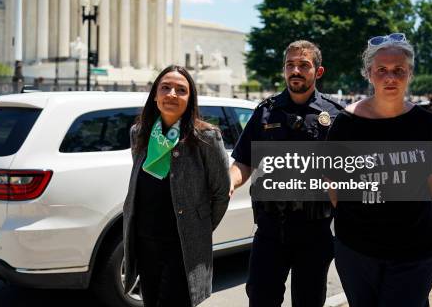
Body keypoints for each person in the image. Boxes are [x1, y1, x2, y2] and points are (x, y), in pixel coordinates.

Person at [325, 33, 432, 307]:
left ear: (410, 74)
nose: (390, 77)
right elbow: (332, 182)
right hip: (356, 250)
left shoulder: (425, 124)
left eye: (398, 70)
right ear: (369, 73)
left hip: (414, 249)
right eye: (382, 70)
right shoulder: (346, 123)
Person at [229, 40, 344, 307]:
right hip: (270, 230)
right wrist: (230, 181)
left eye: (304, 65)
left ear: (318, 71)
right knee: (260, 299)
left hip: (314, 232)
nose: (296, 70)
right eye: (290, 65)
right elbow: (243, 162)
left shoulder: (336, 116)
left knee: (309, 301)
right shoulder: (265, 112)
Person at [122, 65, 230, 307]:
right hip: (144, 241)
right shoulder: (139, 132)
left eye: (181, 90)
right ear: (155, 95)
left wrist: (198, 227)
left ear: (190, 99)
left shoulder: (207, 138)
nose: (172, 94)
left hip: (182, 246)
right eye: (165, 87)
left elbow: (221, 193)